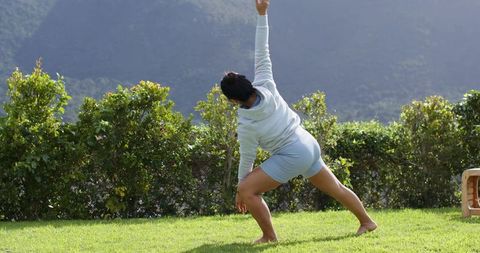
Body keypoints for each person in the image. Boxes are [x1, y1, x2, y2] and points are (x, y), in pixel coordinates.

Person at [220, 0, 377, 244]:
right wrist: (262, 14)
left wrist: (241, 191)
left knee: (248, 190)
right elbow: (263, 49)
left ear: (232, 101)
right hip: (307, 142)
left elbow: (247, 159)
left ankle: (269, 237)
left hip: (292, 154)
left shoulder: (246, 124)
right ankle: (367, 222)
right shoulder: (265, 82)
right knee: (335, 187)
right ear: (248, 82)